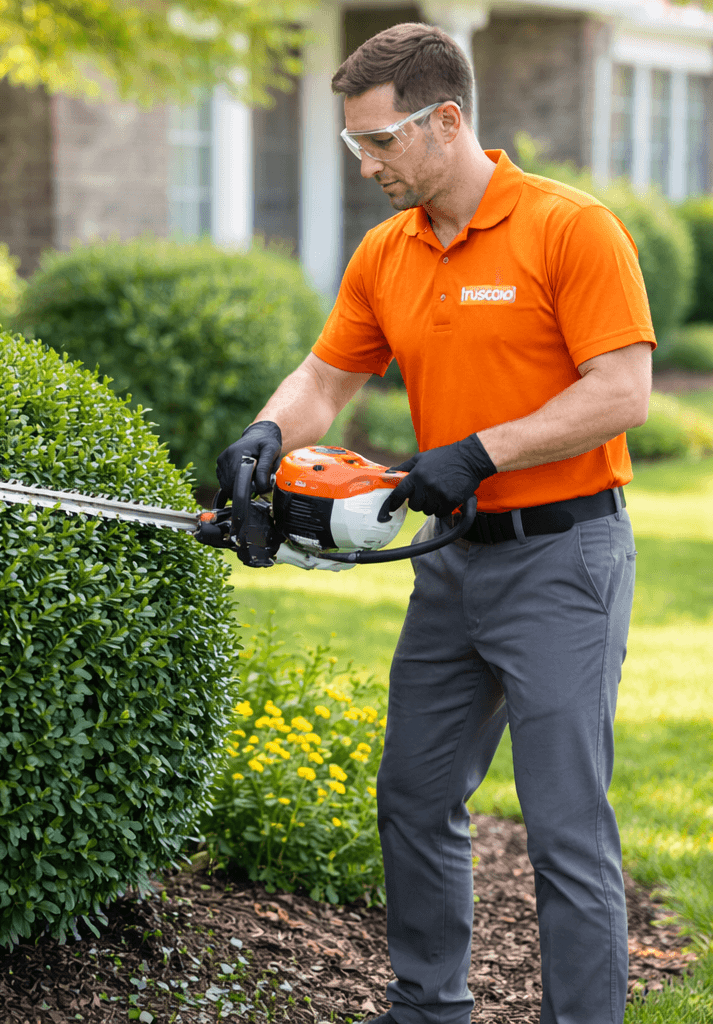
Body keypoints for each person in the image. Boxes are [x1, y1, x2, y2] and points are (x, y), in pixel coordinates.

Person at [215, 22, 654, 1024]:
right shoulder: (388, 250)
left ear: (445, 121)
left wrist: (479, 451)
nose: (365, 163)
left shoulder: (567, 228)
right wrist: (266, 432)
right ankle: (427, 1007)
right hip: (450, 568)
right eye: (353, 146)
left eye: (377, 143)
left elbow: (622, 392)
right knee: (413, 796)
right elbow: (329, 376)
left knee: (564, 830)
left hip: (562, 560)